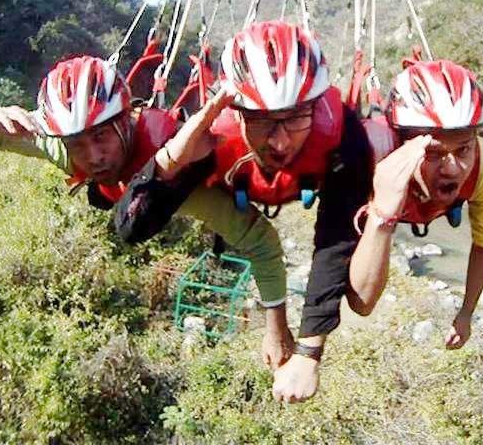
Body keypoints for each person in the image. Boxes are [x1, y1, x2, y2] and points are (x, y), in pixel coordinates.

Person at [0, 54, 293, 368]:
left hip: (157, 189)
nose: (93, 157)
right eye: (78, 143)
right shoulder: (64, 146)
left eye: (101, 136)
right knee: (98, 186)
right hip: (116, 191)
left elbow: (260, 242)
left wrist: (275, 327)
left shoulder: (177, 175)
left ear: (125, 122)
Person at [154, 21, 379, 403]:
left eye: (294, 118)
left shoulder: (345, 134)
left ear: (314, 106)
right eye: (260, 120)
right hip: (237, 191)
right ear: (236, 111)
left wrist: (309, 350)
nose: (279, 140)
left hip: (305, 183)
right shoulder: (210, 135)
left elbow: (335, 239)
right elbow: (145, 208)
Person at [349, 59, 483, 350]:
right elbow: (361, 303)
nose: (453, 169)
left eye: (464, 148)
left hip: (436, 204)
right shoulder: (369, 157)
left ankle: (446, 198)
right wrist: (381, 215)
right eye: (434, 153)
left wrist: (466, 313)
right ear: (401, 144)